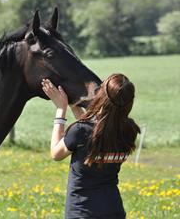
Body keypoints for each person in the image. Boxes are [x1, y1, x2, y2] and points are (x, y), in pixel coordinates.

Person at [41, 73, 140, 219]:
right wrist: (74, 106)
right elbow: (96, 131)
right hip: (114, 211)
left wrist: (61, 109)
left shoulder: (81, 130)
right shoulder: (129, 130)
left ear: (102, 96)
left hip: (82, 212)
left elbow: (56, 153)